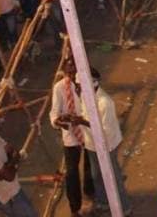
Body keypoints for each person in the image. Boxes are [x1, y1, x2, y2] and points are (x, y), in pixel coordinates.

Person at [69, 68, 132, 215]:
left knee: (114, 177)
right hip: (92, 143)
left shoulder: (105, 102)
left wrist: (82, 122)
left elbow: (105, 131)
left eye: (79, 86)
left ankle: (125, 207)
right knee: (96, 175)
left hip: (108, 145)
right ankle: (104, 202)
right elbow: (84, 114)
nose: (78, 89)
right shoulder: (85, 95)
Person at [49, 58, 95, 217]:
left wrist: (82, 120)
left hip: (87, 131)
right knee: (72, 173)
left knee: (90, 165)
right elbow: (54, 112)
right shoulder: (59, 88)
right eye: (69, 72)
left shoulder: (88, 83)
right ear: (64, 72)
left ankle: (90, 193)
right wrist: (58, 121)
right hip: (70, 135)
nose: (72, 75)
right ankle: (75, 207)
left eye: (74, 72)